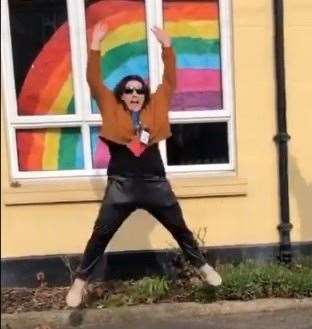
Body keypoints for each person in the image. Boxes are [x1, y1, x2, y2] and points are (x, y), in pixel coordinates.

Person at [66, 23, 222, 308]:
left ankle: (202, 267)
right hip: (121, 185)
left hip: (154, 183)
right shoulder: (110, 107)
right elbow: (92, 80)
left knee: (180, 228)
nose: (135, 94)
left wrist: (167, 47)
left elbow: (171, 80)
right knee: (101, 234)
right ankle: (79, 283)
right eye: (129, 90)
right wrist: (95, 46)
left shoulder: (156, 106)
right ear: (121, 95)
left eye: (139, 90)